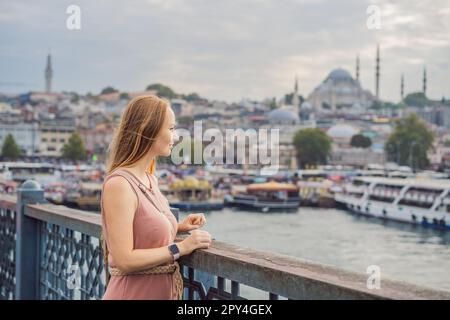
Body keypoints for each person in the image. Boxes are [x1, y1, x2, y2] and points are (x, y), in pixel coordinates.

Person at [101, 95, 212, 300]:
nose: (175, 136)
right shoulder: (120, 185)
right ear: (147, 130)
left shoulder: (150, 179)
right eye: (170, 129)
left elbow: (140, 230)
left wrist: (177, 226)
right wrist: (181, 247)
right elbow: (124, 258)